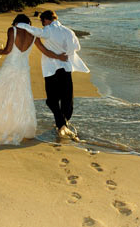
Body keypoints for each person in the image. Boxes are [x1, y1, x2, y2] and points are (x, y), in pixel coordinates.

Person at [0, 14, 67, 145]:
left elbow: (7, 50)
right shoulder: (33, 34)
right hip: (23, 69)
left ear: (16, 22)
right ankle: (18, 127)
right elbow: (45, 51)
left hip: (10, 66)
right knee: (21, 97)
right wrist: (59, 57)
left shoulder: (12, 30)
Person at [16, 10, 89, 138]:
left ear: (46, 20)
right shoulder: (68, 31)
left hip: (51, 69)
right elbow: (77, 47)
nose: (43, 25)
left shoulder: (48, 30)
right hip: (66, 68)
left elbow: (35, 31)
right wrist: (65, 52)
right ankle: (63, 124)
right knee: (67, 98)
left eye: (43, 22)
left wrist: (19, 25)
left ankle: (61, 125)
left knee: (51, 100)